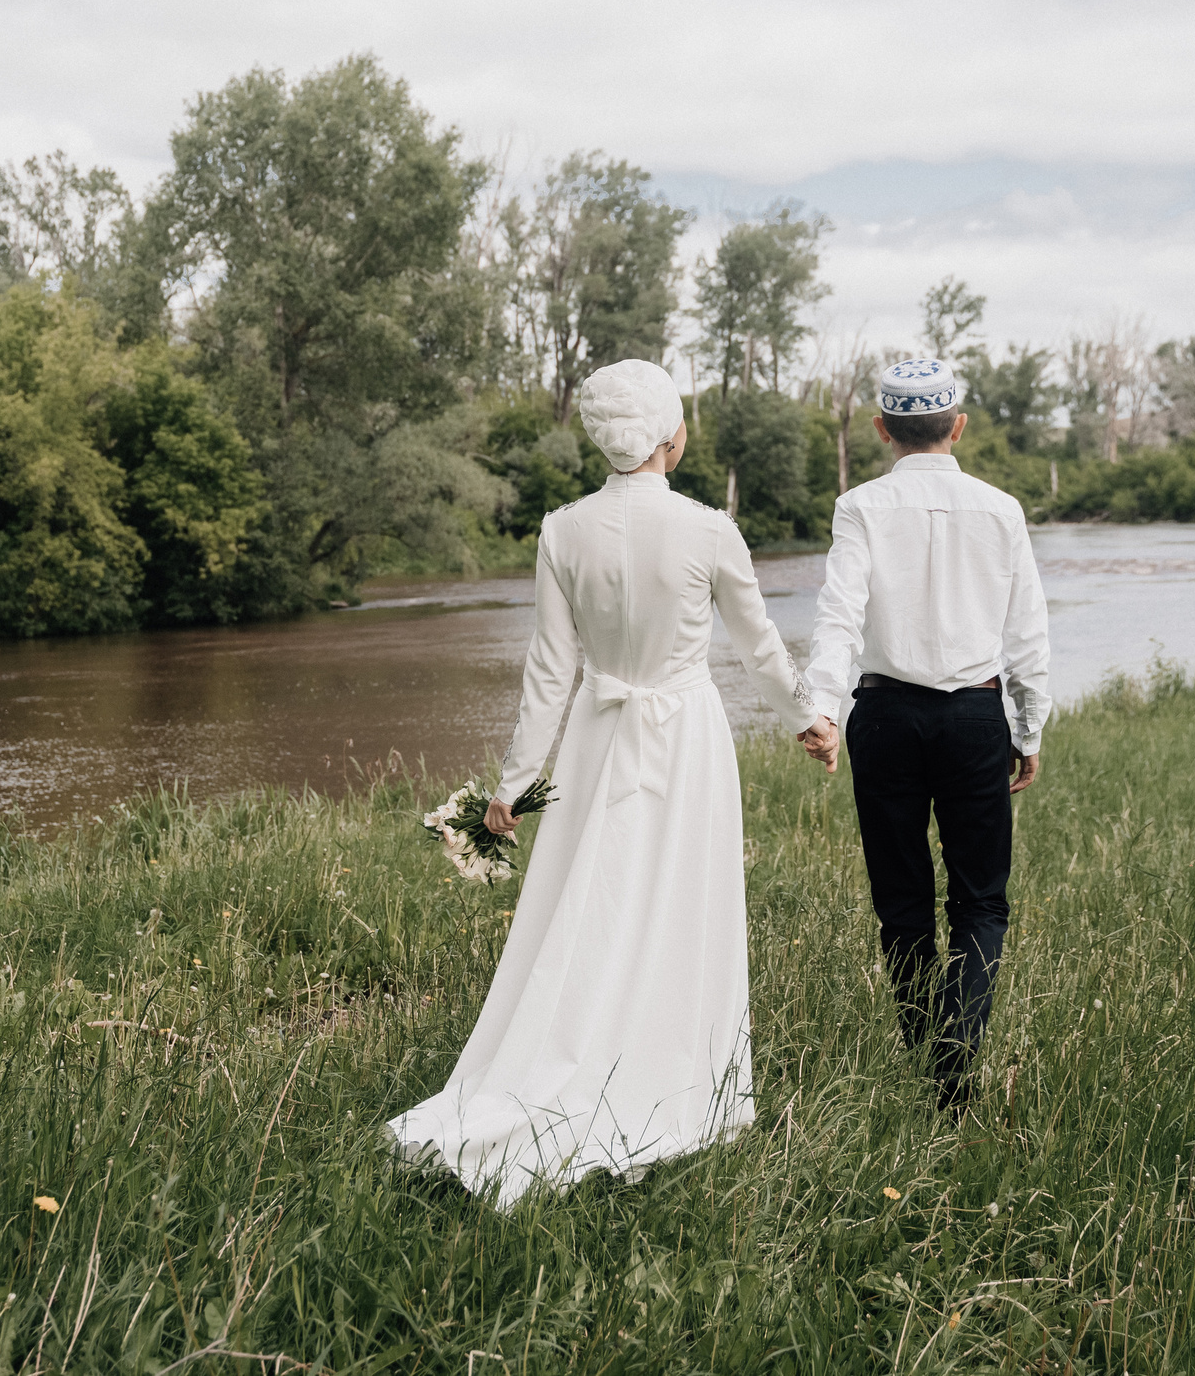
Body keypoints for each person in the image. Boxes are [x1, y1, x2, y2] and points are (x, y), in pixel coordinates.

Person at [386, 358, 838, 1206]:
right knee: (681, 898)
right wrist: (808, 718)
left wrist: (511, 785)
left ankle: (574, 1053)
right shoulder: (710, 528)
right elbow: (759, 646)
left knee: (590, 899)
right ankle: (679, 1078)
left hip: (599, 732)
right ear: (671, 435)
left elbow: (549, 674)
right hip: (687, 735)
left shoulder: (563, 529)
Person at [800, 356, 1051, 1106]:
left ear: (882, 429)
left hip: (883, 714)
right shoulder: (1002, 508)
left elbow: (838, 612)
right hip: (976, 716)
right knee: (980, 899)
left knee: (901, 897)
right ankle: (957, 1056)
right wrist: (1028, 728)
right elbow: (1028, 635)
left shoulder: (860, 506)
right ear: (959, 425)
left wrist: (822, 707)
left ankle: (929, 1052)